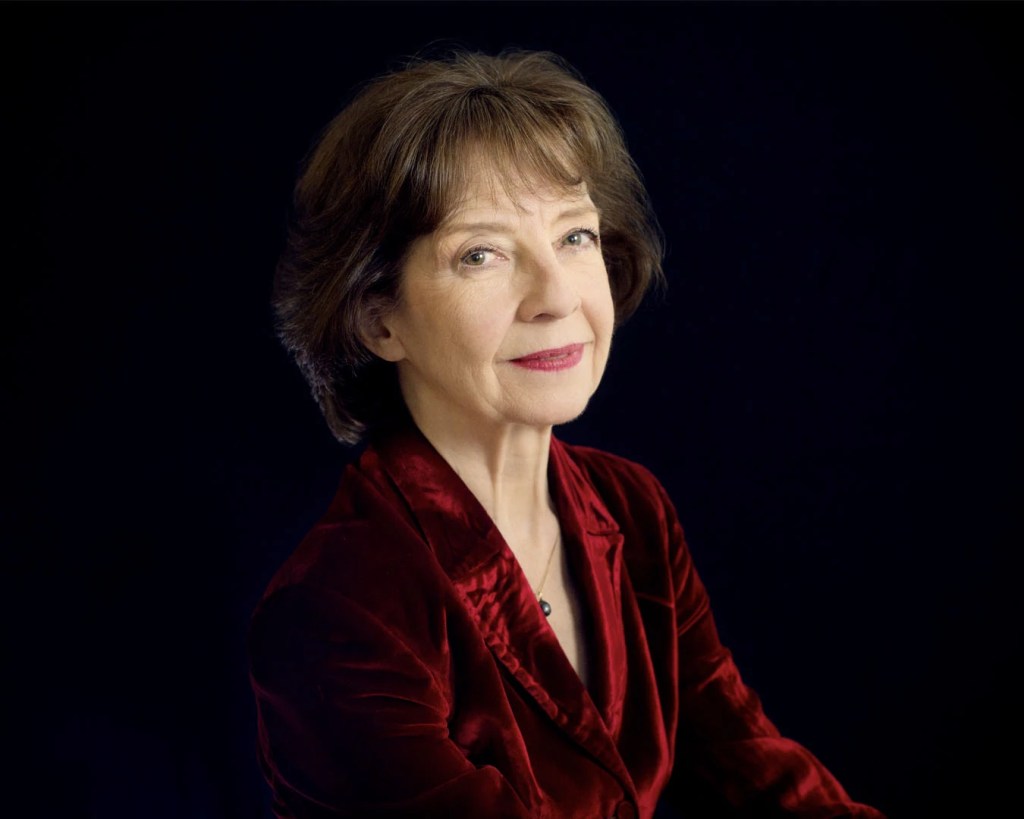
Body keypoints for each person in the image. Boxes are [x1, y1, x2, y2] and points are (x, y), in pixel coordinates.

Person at [248, 49, 885, 818]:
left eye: (575, 236)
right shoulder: (337, 609)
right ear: (378, 318)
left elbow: (751, 766)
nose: (556, 296)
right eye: (481, 254)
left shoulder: (631, 506)